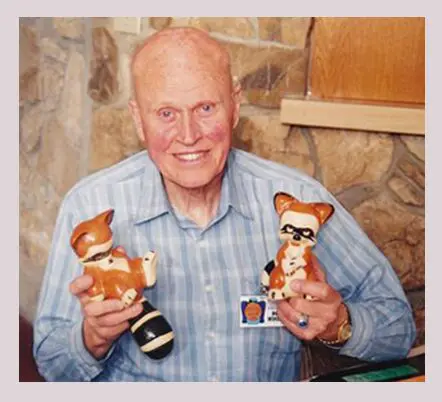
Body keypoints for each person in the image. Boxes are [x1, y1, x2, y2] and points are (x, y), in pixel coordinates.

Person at [32, 26, 416, 382]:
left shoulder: (299, 202)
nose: (188, 135)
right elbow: (51, 362)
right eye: (166, 113)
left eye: (205, 108)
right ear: (138, 119)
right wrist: (91, 338)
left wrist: (341, 325)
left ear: (234, 104)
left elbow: (398, 329)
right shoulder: (91, 206)